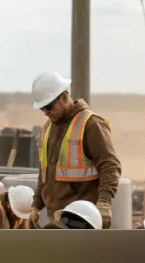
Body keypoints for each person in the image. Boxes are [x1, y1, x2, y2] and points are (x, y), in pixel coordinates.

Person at [29, 71, 121, 229]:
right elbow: (45, 174)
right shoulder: (47, 128)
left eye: (49, 106)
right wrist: (36, 205)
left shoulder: (90, 124)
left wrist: (105, 202)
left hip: (82, 221)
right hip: (57, 221)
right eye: (42, 108)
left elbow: (110, 165)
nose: (46, 112)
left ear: (64, 98)